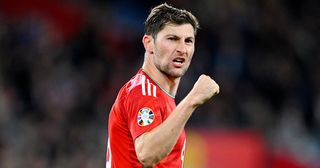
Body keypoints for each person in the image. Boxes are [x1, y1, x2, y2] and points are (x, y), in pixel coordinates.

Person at [106, 3, 219, 168]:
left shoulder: (158, 95)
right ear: (149, 44)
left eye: (188, 41)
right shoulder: (143, 92)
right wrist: (193, 99)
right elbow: (147, 153)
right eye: (172, 39)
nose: (182, 49)